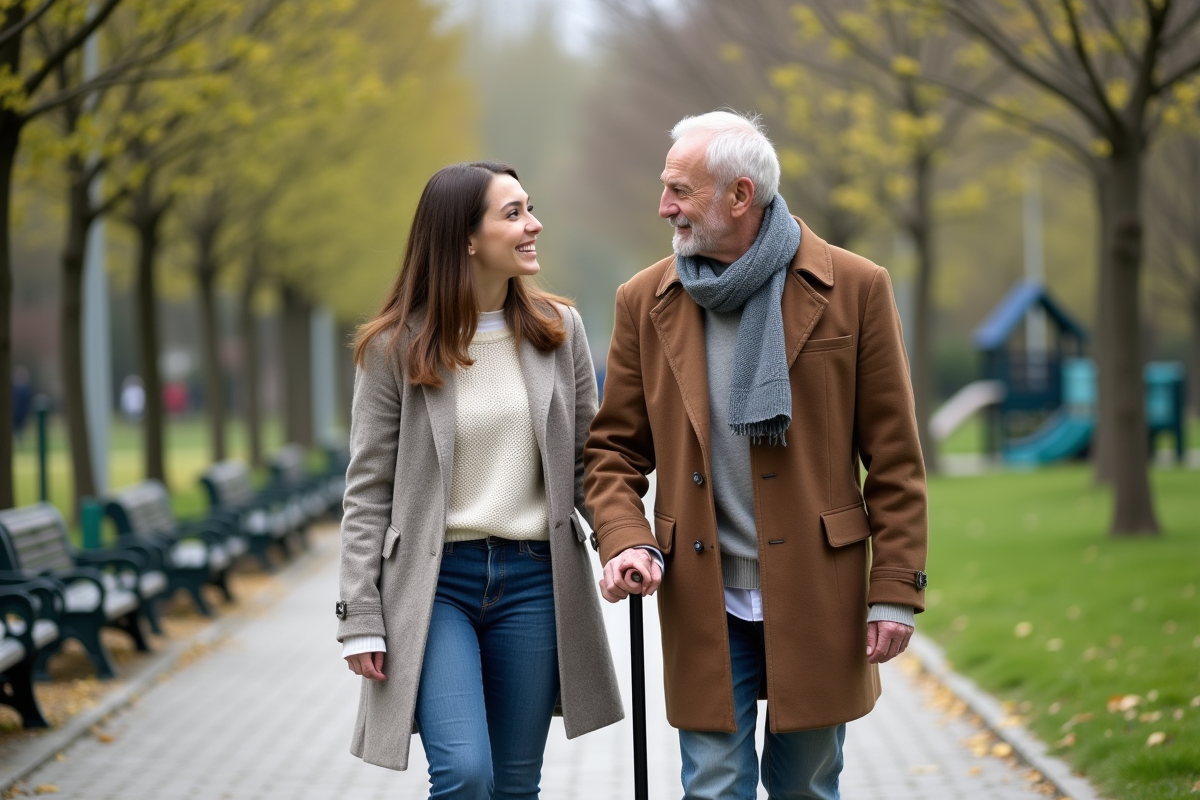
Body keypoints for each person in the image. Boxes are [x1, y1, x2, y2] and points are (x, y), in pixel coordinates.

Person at [584, 111, 929, 800]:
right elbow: (614, 451)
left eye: (680, 190)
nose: (664, 207)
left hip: (819, 589)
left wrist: (895, 591)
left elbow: (894, 458)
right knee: (714, 787)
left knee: (805, 788)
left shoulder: (856, 287)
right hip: (701, 593)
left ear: (740, 195)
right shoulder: (643, 300)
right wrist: (625, 538)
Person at [335, 161, 623, 797]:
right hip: (436, 585)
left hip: (535, 580)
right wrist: (360, 613)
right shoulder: (393, 347)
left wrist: (624, 540)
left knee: (516, 785)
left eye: (530, 208)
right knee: (465, 772)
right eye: (514, 213)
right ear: (466, 238)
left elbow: (587, 463)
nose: (534, 224)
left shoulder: (559, 330)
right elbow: (368, 491)